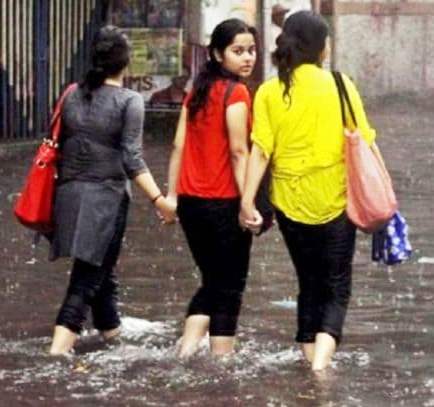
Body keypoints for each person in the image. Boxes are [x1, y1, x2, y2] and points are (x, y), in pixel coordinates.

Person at [239, 11, 377, 370]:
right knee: (337, 285)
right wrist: (384, 192)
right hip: (336, 199)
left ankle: (309, 357)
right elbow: (365, 141)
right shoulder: (341, 85)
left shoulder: (269, 92)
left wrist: (247, 200)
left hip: (289, 203)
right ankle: (320, 366)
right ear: (321, 48)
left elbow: (261, 150)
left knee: (309, 282)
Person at [48, 26, 175, 355]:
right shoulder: (129, 101)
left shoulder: (71, 94)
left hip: (68, 196)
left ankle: (111, 334)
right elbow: (132, 159)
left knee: (102, 271)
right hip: (105, 201)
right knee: (87, 278)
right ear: (126, 62)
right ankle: (56, 354)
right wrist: (159, 200)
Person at [166, 19, 259, 358]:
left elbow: (178, 146)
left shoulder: (196, 92)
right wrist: (247, 203)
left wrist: (171, 197)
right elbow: (238, 151)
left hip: (191, 203)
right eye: (238, 51)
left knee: (213, 279)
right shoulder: (237, 93)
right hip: (224, 203)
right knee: (230, 285)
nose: (247, 58)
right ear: (219, 54)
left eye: (251, 50)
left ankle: (186, 350)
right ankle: (223, 361)